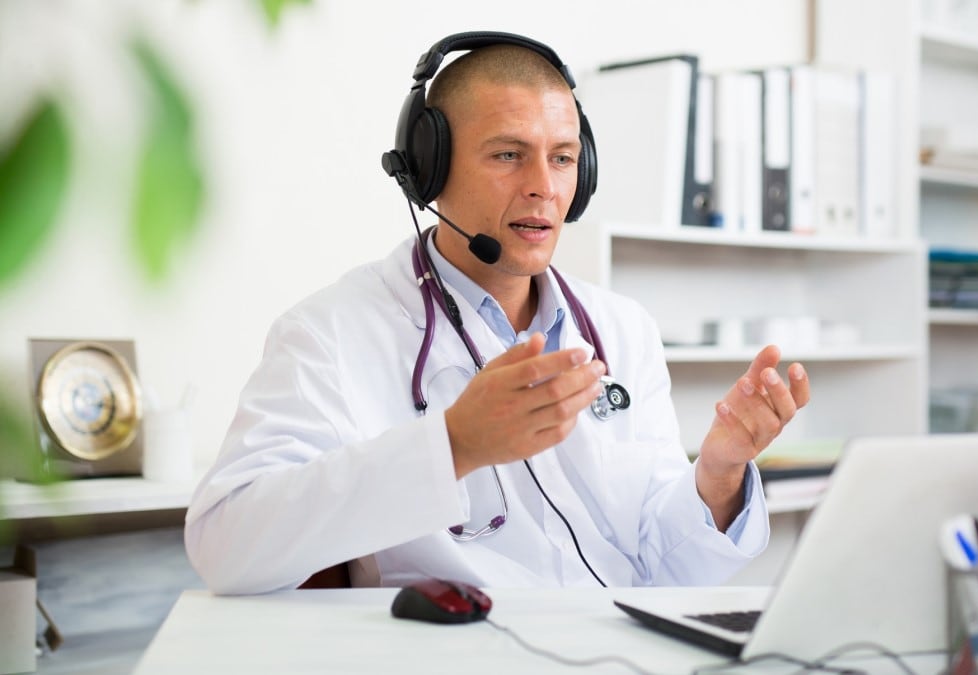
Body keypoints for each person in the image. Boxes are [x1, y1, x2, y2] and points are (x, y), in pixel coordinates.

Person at [184, 31, 810, 595]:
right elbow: (225, 546)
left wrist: (720, 472)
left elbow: (663, 565)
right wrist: (453, 445)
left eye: (563, 158)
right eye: (509, 154)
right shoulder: (330, 334)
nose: (544, 186)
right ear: (427, 169)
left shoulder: (623, 330)